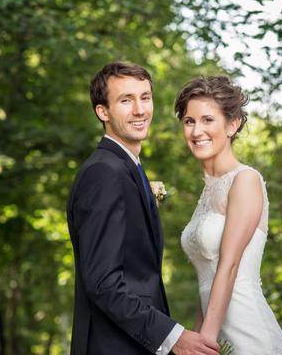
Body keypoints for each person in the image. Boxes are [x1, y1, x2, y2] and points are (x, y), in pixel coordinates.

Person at [67, 62, 219, 355]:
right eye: (126, 100)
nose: (140, 110)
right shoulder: (103, 173)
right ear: (103, 111)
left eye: (145, 97)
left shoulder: (127, 168)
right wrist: (172, 337)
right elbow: (103, 282)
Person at [176, 75, 282, 354]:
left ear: (232, 124)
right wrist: (198, 337)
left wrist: (207, 341)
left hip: (249, 336)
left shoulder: (245, 180)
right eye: (189, 121)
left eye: (207, 120)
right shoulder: (207, 192)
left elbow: (229, 265)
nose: (197, 131)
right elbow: (207, 280)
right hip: (213, 332)